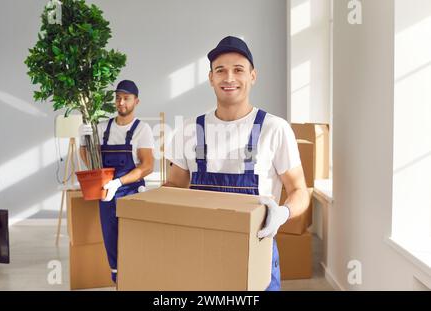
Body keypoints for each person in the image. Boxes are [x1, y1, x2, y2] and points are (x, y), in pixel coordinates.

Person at [164, 36, 310, 290]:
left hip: (257, 251)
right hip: (201, 252)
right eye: (220, 70)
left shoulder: (274, 128)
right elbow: (174, 186)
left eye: (238, 70)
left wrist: (284, 213)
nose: (229, 78)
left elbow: (299, 189)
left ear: (253, 76)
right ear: (211, 78)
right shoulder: (189, 130)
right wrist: (146, 200)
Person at [78, 80, 155, 283]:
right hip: (106, 194)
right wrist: (82, 142)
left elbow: (147, 166)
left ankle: (137, 280)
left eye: (126, 98)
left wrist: (118, 183)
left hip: (132, 193)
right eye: (118, 97)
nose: (121, 102)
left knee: (134, 240)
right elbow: (91, 161)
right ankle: (118, 281)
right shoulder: (102, 128)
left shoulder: (142, 129)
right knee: (111, 240)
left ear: (136, 101)